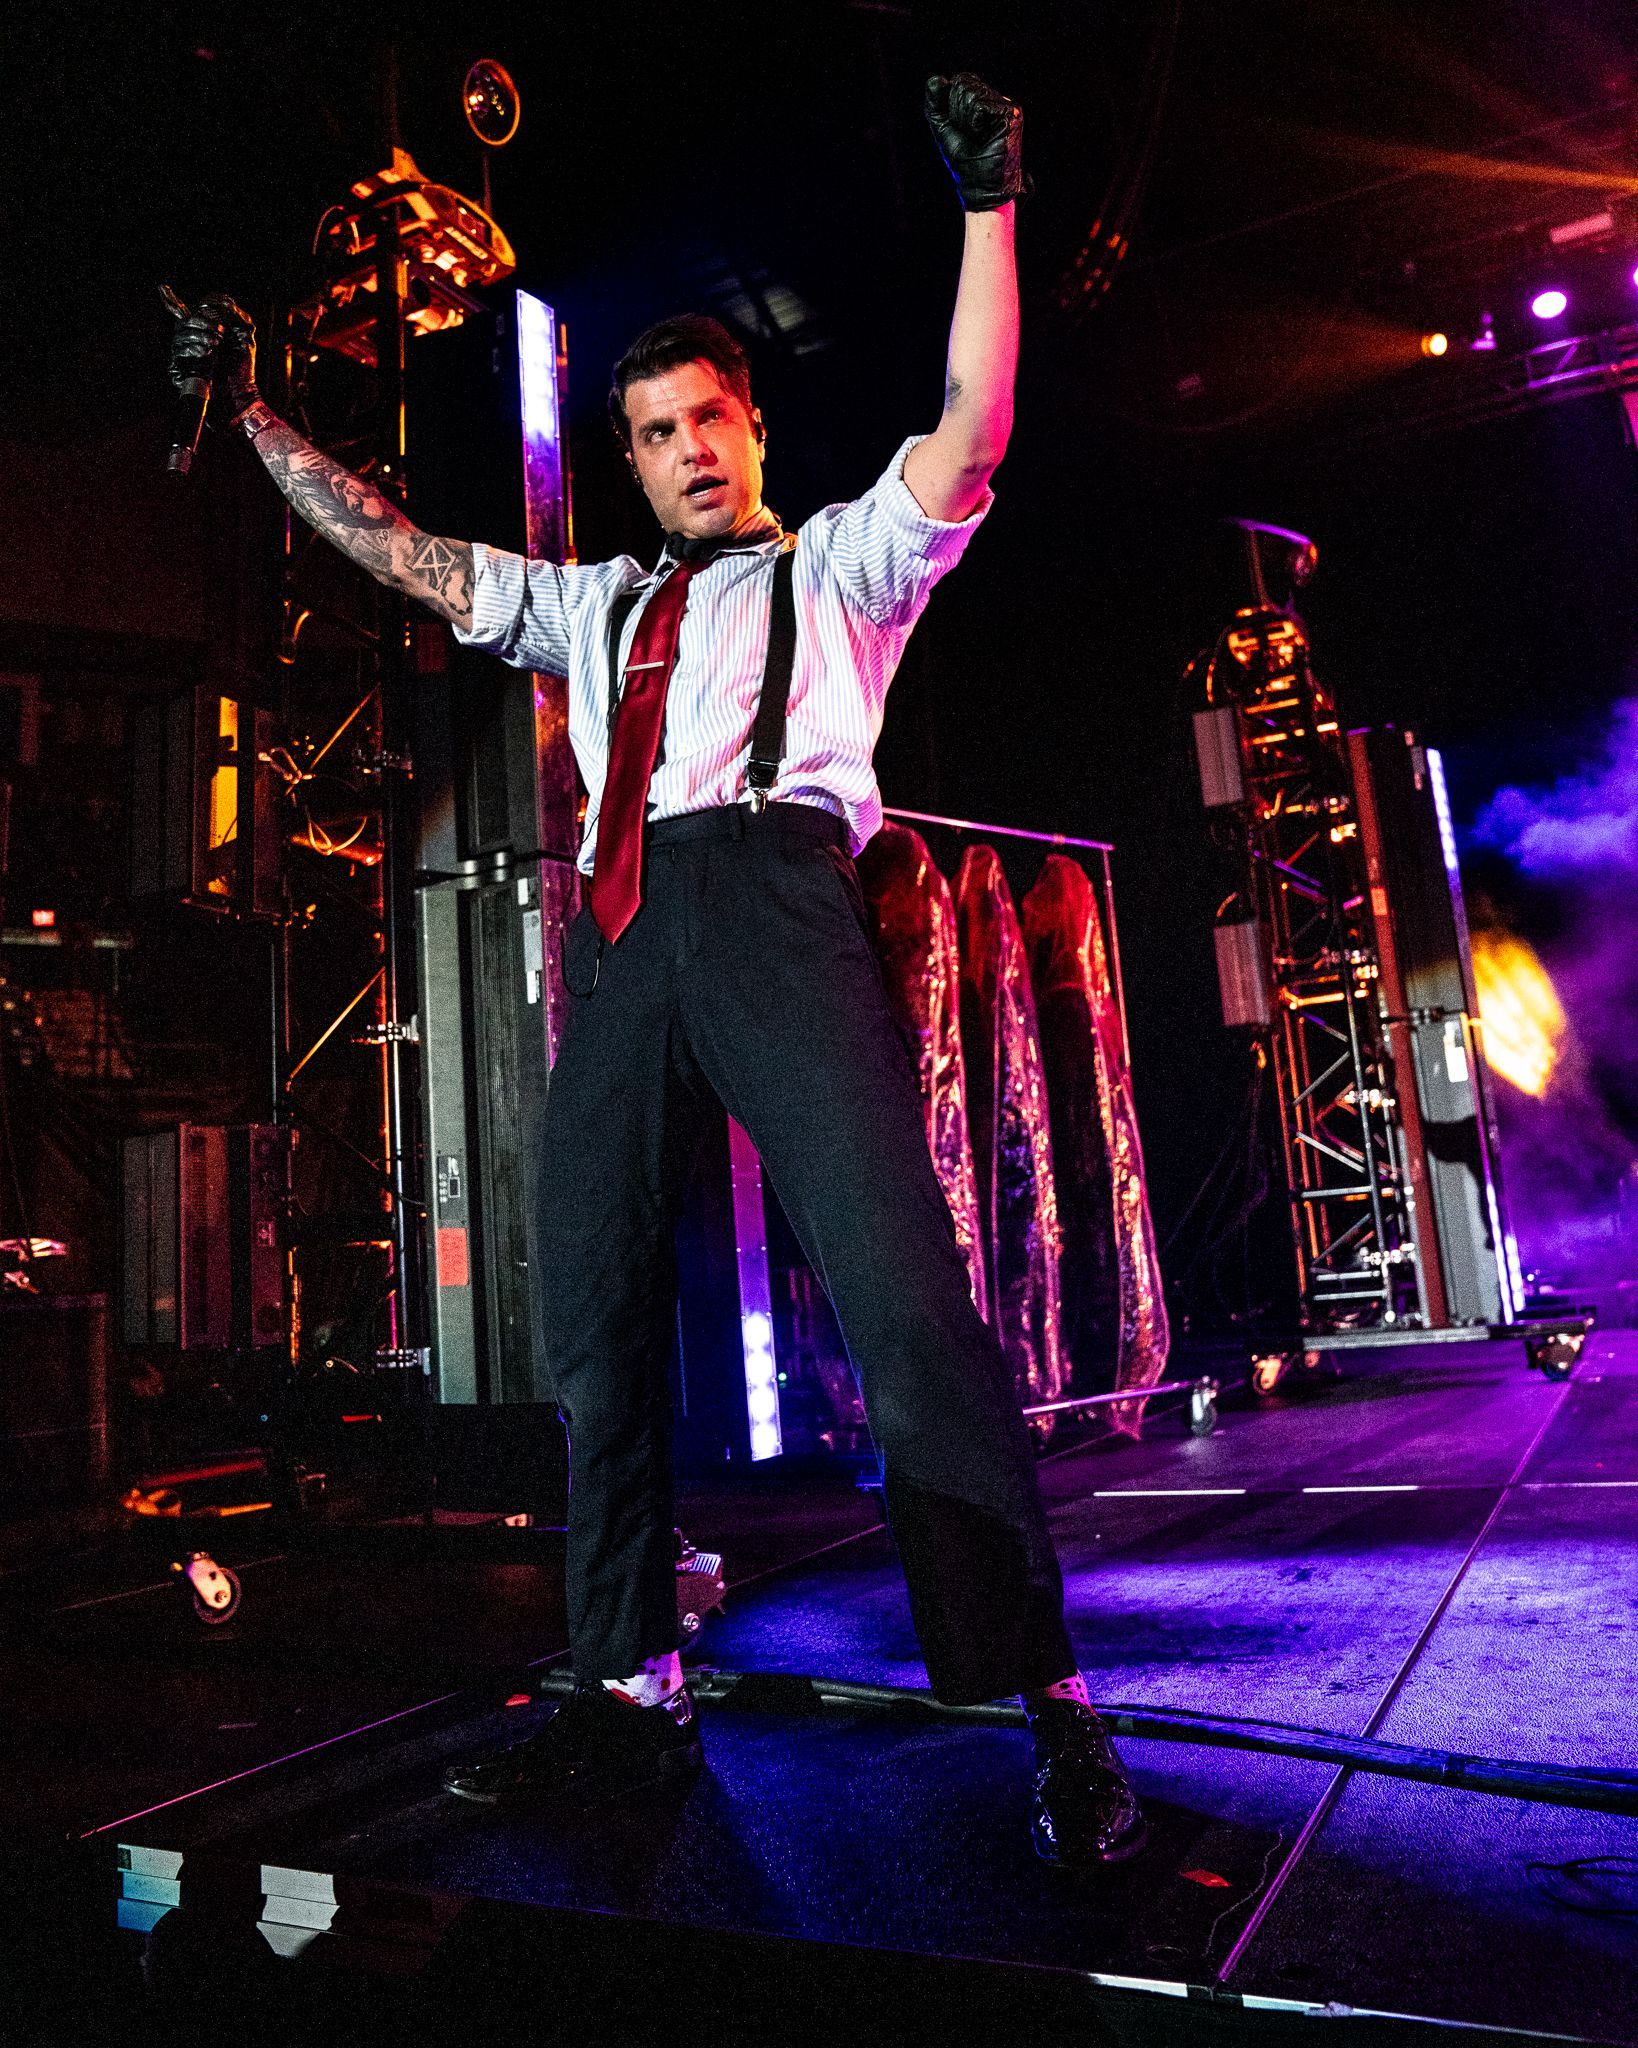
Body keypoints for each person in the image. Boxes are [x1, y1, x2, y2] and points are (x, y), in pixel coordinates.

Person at [169, 73, 1145, 1867]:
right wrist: (250, 420)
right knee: (594, 1327)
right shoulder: (595, 605)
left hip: (778, 902)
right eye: (655, 431)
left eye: (709, 419)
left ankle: (1052, 1706)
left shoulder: (843, 568)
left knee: (907, 1307)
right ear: (623, 457)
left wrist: (987, 201)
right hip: (626, 934)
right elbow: (404, 552)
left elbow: (973, 424)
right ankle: (627, 1690)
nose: (689, 448)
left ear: (751, 428)